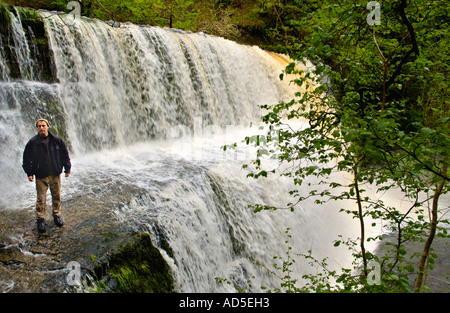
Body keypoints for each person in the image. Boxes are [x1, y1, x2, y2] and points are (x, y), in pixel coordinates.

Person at [22, 118, 71, 233]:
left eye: (43, 125)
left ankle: (57, 215)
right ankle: (40, 220)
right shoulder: (32, 142)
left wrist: (67, 168)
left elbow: (65, 154)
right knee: (41, 199)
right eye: (39, 126)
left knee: (56, 195)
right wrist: (29, 173)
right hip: (41, 175)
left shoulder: (57, 140)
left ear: (48, 126)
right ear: (37, 128)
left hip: (55, 173)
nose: (41, 128)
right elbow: (26, 158)